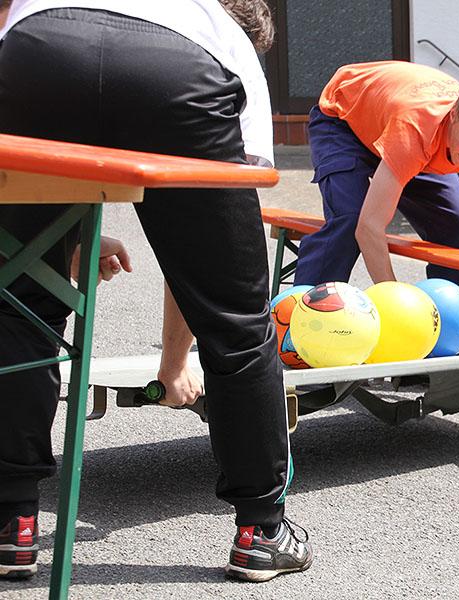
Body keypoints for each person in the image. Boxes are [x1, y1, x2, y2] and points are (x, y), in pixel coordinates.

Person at [0, 0, 312, 582]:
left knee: (20, 301)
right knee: (238, 320)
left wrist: (59, 238)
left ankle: (8, 524)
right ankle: (262, 533)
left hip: (35, 45)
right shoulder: (226, 42)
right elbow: (204, 261)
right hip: (175, 72)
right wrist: (175, 362)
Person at [292, 61, 459, 319]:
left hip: (410, 137)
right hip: (345, 120)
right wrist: (398, 311)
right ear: (454, 115)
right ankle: (304, 320)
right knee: (350, 219)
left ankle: (449, 325)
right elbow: (369, 228)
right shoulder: (417, 128)